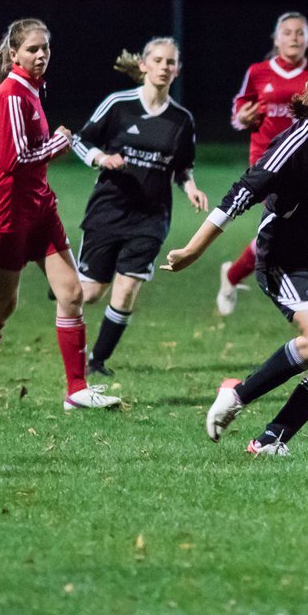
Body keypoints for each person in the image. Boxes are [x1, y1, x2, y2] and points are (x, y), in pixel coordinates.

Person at [162, 64, 308, 455]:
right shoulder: (293, 146)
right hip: (283, 260)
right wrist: (192, 250)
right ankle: (237, 396)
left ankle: (271, 440)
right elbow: (239, 196)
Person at [0, 18, 121, 410]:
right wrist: (58, 144)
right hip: (5, 213)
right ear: (14, 54)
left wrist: (49, 151)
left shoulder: (31, 90)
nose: (41, 54)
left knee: (72, 292)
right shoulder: (12, 94)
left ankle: (77, 391)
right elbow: (14, 161)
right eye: (32, 49)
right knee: (3, 304)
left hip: (38, 209)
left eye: (45, 48)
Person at [70, 38, 209, 377]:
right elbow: (79, 139)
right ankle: (62, 289)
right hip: (108, 210)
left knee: (128, 285)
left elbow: (183, 166)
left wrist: (190, 186)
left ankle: (96, 362)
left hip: (151, 216)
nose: (164, 67)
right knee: (89, 293)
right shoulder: (119, 104)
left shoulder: (182, 119)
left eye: (170, 62)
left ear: (176, 70)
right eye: (158, 60)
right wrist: (101, 157)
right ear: (144, 65)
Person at [216, 12, 308, 316]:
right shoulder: (258, 71)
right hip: (267, 162)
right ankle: (304, 293)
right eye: (287, 32)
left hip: (305, 162)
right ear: (276, 40)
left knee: (284, 231)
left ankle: (233, 275)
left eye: (299, 33)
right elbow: (240, 106)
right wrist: (242, 118)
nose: (293, 37)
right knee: (282, 225)